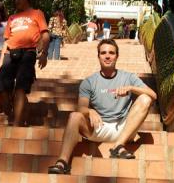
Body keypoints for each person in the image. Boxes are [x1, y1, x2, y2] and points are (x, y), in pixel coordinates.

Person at [48, 38, 157, 174]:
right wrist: (90, 111)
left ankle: (118, 146)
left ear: (117, 56)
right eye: (103, 53)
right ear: (98, 56)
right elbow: (81, 108)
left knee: (145, 98)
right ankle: (62, 162)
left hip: (124, 129)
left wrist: (131, 88)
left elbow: (153, 95)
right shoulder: (89, 82)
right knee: (75, 116)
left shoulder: (128, 77)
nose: (107, 56)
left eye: (111, 53)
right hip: (99, 128)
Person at [0, 0, 49, 126]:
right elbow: (6, 40)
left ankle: (17, 123)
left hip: (28, 53)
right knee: (2, 87)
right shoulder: (12, 18)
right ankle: (15, 110)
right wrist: (1, 61)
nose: (16, 0)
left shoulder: (37, 13)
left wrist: (44, 54)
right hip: (10, 53)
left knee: (20, 87)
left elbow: (45, 35)